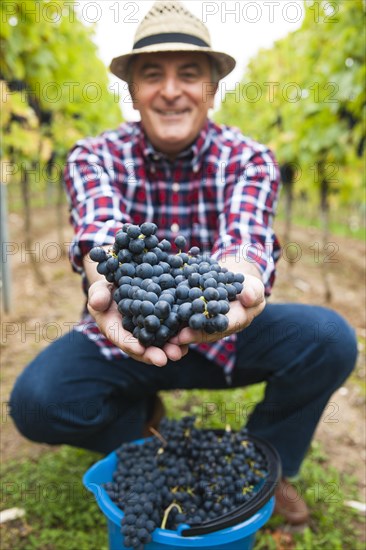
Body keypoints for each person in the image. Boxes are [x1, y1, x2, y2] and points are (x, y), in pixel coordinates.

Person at [10, 0, 357, 526]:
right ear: (132, 91)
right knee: (36, 402)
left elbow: (244, 238)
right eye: (153, 74)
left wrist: (241, 276)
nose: (171, 90)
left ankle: (265, 460)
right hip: (126, 334)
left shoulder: (249, 158)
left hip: (222, 330)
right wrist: (104, 275)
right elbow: (102, 233)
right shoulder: (93, 155)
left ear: (212, 89)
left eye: (189, 74)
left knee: (329, 339)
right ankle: (146, 435)